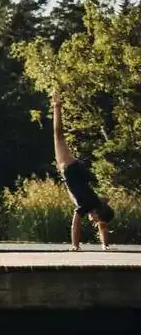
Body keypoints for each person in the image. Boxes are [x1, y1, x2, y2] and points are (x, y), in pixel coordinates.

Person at [53, 100, 115, 251]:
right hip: (70, 168)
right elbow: (76, 224)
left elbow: (103, 223)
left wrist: (105, 245)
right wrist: (75, 246)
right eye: (95, 220)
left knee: (59, 137)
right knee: (58, 135)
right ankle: (57, 107)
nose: (93, 222)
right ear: (96, 213)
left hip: (77, 171)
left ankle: (57, 107)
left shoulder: (96, 204)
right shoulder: (86, 205)